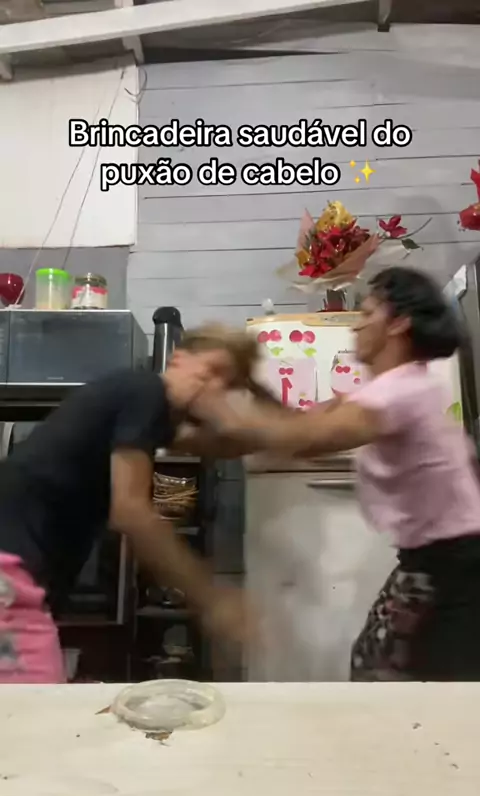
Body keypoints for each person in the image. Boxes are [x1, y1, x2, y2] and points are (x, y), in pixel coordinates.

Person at [190, 268, 480, 681]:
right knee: (377, 669)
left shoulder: (400, 393)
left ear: (398, 324)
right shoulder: (392, 386)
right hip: (432, 561)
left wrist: (206, 397)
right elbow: (298, 429)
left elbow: (307, 438)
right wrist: (247, 385)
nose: (356, 326)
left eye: (368, 313)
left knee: (406, 687)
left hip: (456, 570)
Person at [0, 323, 260, 683]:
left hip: (18, 574)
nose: (213, 387)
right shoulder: (146, 390)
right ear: (177, 359)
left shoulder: (142, 414)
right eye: (211, 370)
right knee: (35, 704)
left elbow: (227, 442)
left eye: (226, 383)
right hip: (8, 573)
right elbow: (132, 512)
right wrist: (211, 598)